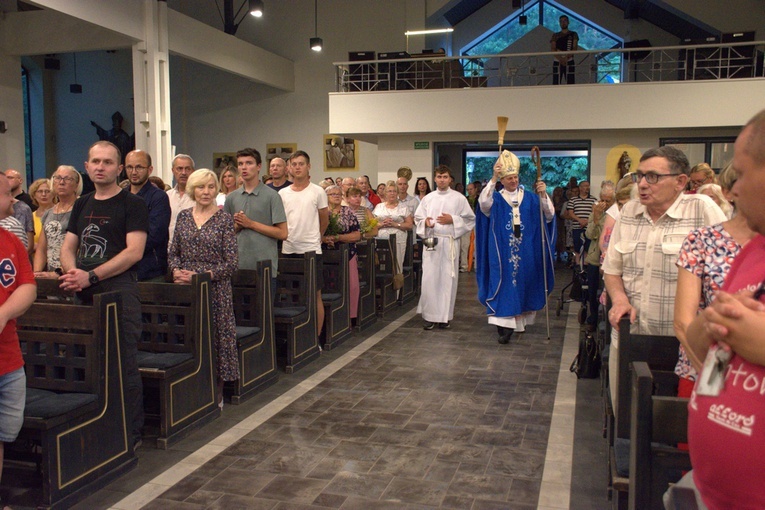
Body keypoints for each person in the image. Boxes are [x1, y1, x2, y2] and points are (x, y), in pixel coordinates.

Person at [681, 109, 765, 510]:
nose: (735, 190)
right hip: (711, 490)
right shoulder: (752, 252)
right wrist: (713, 321)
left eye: (743, 175)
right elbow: (702, 348)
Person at [602, 145, 727, 415]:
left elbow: (727, 270)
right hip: (631, 335)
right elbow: (612, 268)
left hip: (687, 344)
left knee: (685, 423)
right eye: (640, 176)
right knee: (626, 418)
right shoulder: (629, 212)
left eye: (653, 177)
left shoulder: (701, 210)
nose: (643, 184)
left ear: (680, 181)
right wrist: (620, 299)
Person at [59, 140, 149, 451]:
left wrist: (92, 275)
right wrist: (73, 273)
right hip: (83, 289)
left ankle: (130, 433)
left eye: (108, 162)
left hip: (118, 291)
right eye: (95, 161)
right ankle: (93, 427)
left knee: (123, 364)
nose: (101, 166)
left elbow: (134, 252)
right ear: (86, 167)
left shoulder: (132, 204)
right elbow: (69, 246)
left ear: (119, 168)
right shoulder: (82, 203)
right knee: (86, 361)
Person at [673, 164, 755, 401]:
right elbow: (683, 321)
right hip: (712, 364)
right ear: (728, 192)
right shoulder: (703, 240)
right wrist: (717, 378)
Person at [169, 169, 238, 407]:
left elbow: (231, 264)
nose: (206, 192)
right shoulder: (184, 216)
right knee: (189, 338)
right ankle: (189, 389)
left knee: (216, 339)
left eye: (210, 186)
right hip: (185, 288)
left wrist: (201, 276)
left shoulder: (224, 219)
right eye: (201, 187)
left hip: (214, 289)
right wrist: (176, 271)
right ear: (192, 189)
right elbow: (174, 252)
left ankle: (215, 391)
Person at [475, 151, 556, 343]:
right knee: (503, 282)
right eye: (509, 178)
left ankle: (518, 322)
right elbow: (483, 204)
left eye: (515, 177)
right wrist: (493, 177)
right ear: (502, 180)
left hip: (527, 250)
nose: (513, 180)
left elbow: (549, 215)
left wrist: (543, 193)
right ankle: (504, 325)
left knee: (524, 283)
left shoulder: (531, 197)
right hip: (502, 250)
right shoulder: (495, 198)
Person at [0, 174, 37, 504]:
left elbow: (26, 285)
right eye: (6, 194)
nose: (12, 200)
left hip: (8, 357)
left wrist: (2, 314)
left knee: (2, 435)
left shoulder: (9, 239)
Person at [415, 165, 475, 330]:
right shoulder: (428, 198)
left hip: (449, 243)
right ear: (434, 178)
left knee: (447, 280)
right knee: (429, 279)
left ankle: (444, 317)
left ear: (450, 179)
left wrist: (453, 220)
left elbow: (470, 219)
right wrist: (425, 222)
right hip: (431, 241)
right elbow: (418, 218)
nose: (442, 180)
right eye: (439, 177)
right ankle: (429, 316)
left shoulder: (459, 198)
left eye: (445, 177)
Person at [279, 151, 329, 336]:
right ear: (289, 168)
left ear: (308, 166)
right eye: (294, 164)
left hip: (311, 249)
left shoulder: (317, 191)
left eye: (301, 164)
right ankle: (296, 336)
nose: (297, 167)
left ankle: (315, 337)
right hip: (289, 248)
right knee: (290, 293)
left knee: (315, 294)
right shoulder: (283, 193)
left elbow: (324, 218)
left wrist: (318, 236)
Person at [225, 148, 287, 282]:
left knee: (264, 303)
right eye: (240, 164)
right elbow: (225, 234)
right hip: (237, 265)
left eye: (249, 163)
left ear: (259, 166)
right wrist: (237, 226)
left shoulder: (272, 196)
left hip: (264, 266)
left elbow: (283, 233)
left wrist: (250, 224)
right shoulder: (232, 197)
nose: (244, 167)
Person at [125, 150, 171, 281]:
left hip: (150, 269)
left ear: (150, 170)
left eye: (139, 167)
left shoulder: (159, 197)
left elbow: (155, 235)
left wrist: (126, 250)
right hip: (122, 269)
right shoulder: (121, 195)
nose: (133, 172)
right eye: (130, 167)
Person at [322, 185, 361, 321]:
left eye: (339, 194)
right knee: (329, 285)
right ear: (325, 197)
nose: (336, 196)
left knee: (352, 285)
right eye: (332, 194)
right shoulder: (322, 212)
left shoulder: (348, 211)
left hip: (347, 253)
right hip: (325, 254)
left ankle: (351, 316)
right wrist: (325, 239)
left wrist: (338, 238)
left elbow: (357, 235)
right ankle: (331, 316)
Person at [34, 166, 81, 277]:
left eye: (67, 179)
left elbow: (83, 248)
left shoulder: (81, 209)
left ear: (76, 184)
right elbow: (41, 249)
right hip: (50, 277)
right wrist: (36, 274)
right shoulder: (48, 213)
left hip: (73, 274)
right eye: (57, 178)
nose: (61, 182)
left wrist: (59, 272)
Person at [583, 183, 615, 331]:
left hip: (609, 259)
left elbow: (607, 236)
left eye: (608, 201)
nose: (604, 203)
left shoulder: (615, 215)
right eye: (602, 199)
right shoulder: (595, 212)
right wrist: (595, 218)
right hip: (595, 258)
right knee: (592, 291)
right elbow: (589, 235)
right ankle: (593, 318)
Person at [373, 180, 413, 274]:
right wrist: (382, 224)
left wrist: (396, 224)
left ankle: (396, 284)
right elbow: (372, 224)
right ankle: (381, 285)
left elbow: (410, 225)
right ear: (385, 193)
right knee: (381, 265)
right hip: (380, 240)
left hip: (398, 240)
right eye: (389, 191)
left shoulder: (403, 207)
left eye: (394, 191)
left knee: (396, 264)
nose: (392, 193)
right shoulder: (379, 207)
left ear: (397, 193)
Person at [564, 180, 597, 265]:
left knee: (587, 248)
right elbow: (570, 213)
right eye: (585, 186)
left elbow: (595, 213)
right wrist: (580, 220)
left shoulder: (594, 199)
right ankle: (578, 266)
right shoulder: (573, 200)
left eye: (588, 186)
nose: (587, 188)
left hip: (589, 228)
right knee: (577, 248)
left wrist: (587, 221)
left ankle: (585, 267)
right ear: (580, 188)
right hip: (577, 228)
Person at [167, 154, 195, 245]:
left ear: (193, 171)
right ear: (173, 171)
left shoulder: (200, 197)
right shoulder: (166, 196)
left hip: (193, 249)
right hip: (169, 249)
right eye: (179, 168)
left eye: (187, 169)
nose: (183, 172)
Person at [550, 14, 578, 85]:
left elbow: (575, 48)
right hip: (557, 60)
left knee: (570, 81)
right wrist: (560, 59)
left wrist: (567, 57)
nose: (563, 23)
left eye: (565, 21)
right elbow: (553, 48)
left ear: (568, 22)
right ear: (559, 23)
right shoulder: (555, 35)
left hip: (569, 60)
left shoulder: (573, 34)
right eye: (561, 21)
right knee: (556, 81)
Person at [29, 178, 54, 249]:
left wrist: (40, 247)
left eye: (47, 191)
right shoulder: (31, 216)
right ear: (34, 195)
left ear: (54, 194)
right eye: (40, 191)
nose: (43, 194)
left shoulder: (59, 213)